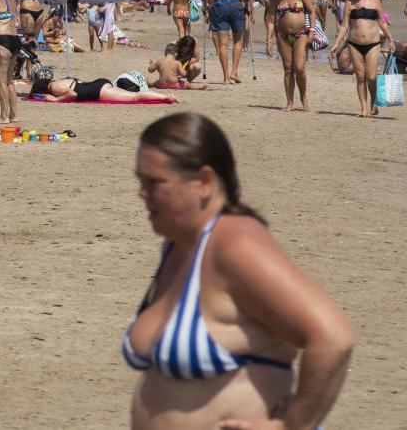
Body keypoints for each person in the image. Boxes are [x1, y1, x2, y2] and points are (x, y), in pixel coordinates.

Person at [125, 112, 352, 429]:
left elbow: (333, 338)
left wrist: (291, 426)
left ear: (203, 182)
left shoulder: (235, 243)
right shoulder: (179, 244)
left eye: (154, 183)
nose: (142, 193)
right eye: (140, 181)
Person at [332, 0, 395, 118]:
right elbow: (344, 25)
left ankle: (374, 103)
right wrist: (336, 44)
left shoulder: (375, 1)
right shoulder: (349, 3)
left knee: (372, 77)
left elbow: (382, 22)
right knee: (360, 76)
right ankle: (364, 108)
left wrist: (391, 40)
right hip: (354, 44)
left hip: (373, 44)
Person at [266, 0, 316, 112]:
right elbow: (270, 21)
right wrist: (269, 41)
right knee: (288, 69)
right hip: (282, 36)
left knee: (299, 68)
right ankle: (290, 102)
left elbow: (312, 10)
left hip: (301, 35)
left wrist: (312, 30)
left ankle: (303, 96)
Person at [206, 0, 251, 84]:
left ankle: (225, 77)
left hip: (219, 4)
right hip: (235, 2)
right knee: (238, 40)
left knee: (223, 44)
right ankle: (234, 72)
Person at [29, 74, 175, 103]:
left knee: (135, 97)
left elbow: (72, 94)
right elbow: (77, 82)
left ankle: (166, 97)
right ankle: (164, 96)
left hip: (98, 91)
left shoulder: (54, 87)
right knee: (134, 95)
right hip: (97, 84)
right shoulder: (59, 81)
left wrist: (56, 99)